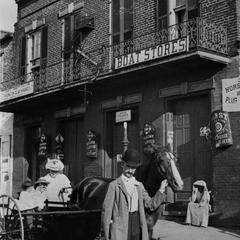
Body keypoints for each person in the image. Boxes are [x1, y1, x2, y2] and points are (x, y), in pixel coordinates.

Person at [101, 148, 168, 240]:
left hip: (137, 224)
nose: (131, 171)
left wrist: (161, 190)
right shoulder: (114, 186)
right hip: (120, 226)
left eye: (134, 168)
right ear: (122, 165)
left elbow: (150, 205)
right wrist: (106, 235)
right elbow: (106, 212)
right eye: (128, 166)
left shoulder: (139, 186)